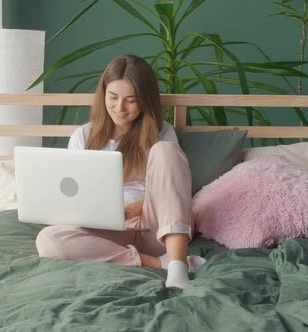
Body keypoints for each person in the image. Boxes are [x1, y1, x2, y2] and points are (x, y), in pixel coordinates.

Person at [35, 54, 205, 288]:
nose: (120, 108)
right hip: (106, 232)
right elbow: (72, 197)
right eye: (113, 97)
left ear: (145, 100)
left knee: (166, 151)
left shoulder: (162, 133)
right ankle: (158, 264)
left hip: (154, 228)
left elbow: (172, 190)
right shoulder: (83, 136)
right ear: (103, 94)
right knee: (48, 240)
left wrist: (133, 208)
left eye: (131, 100)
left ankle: (177, 266)